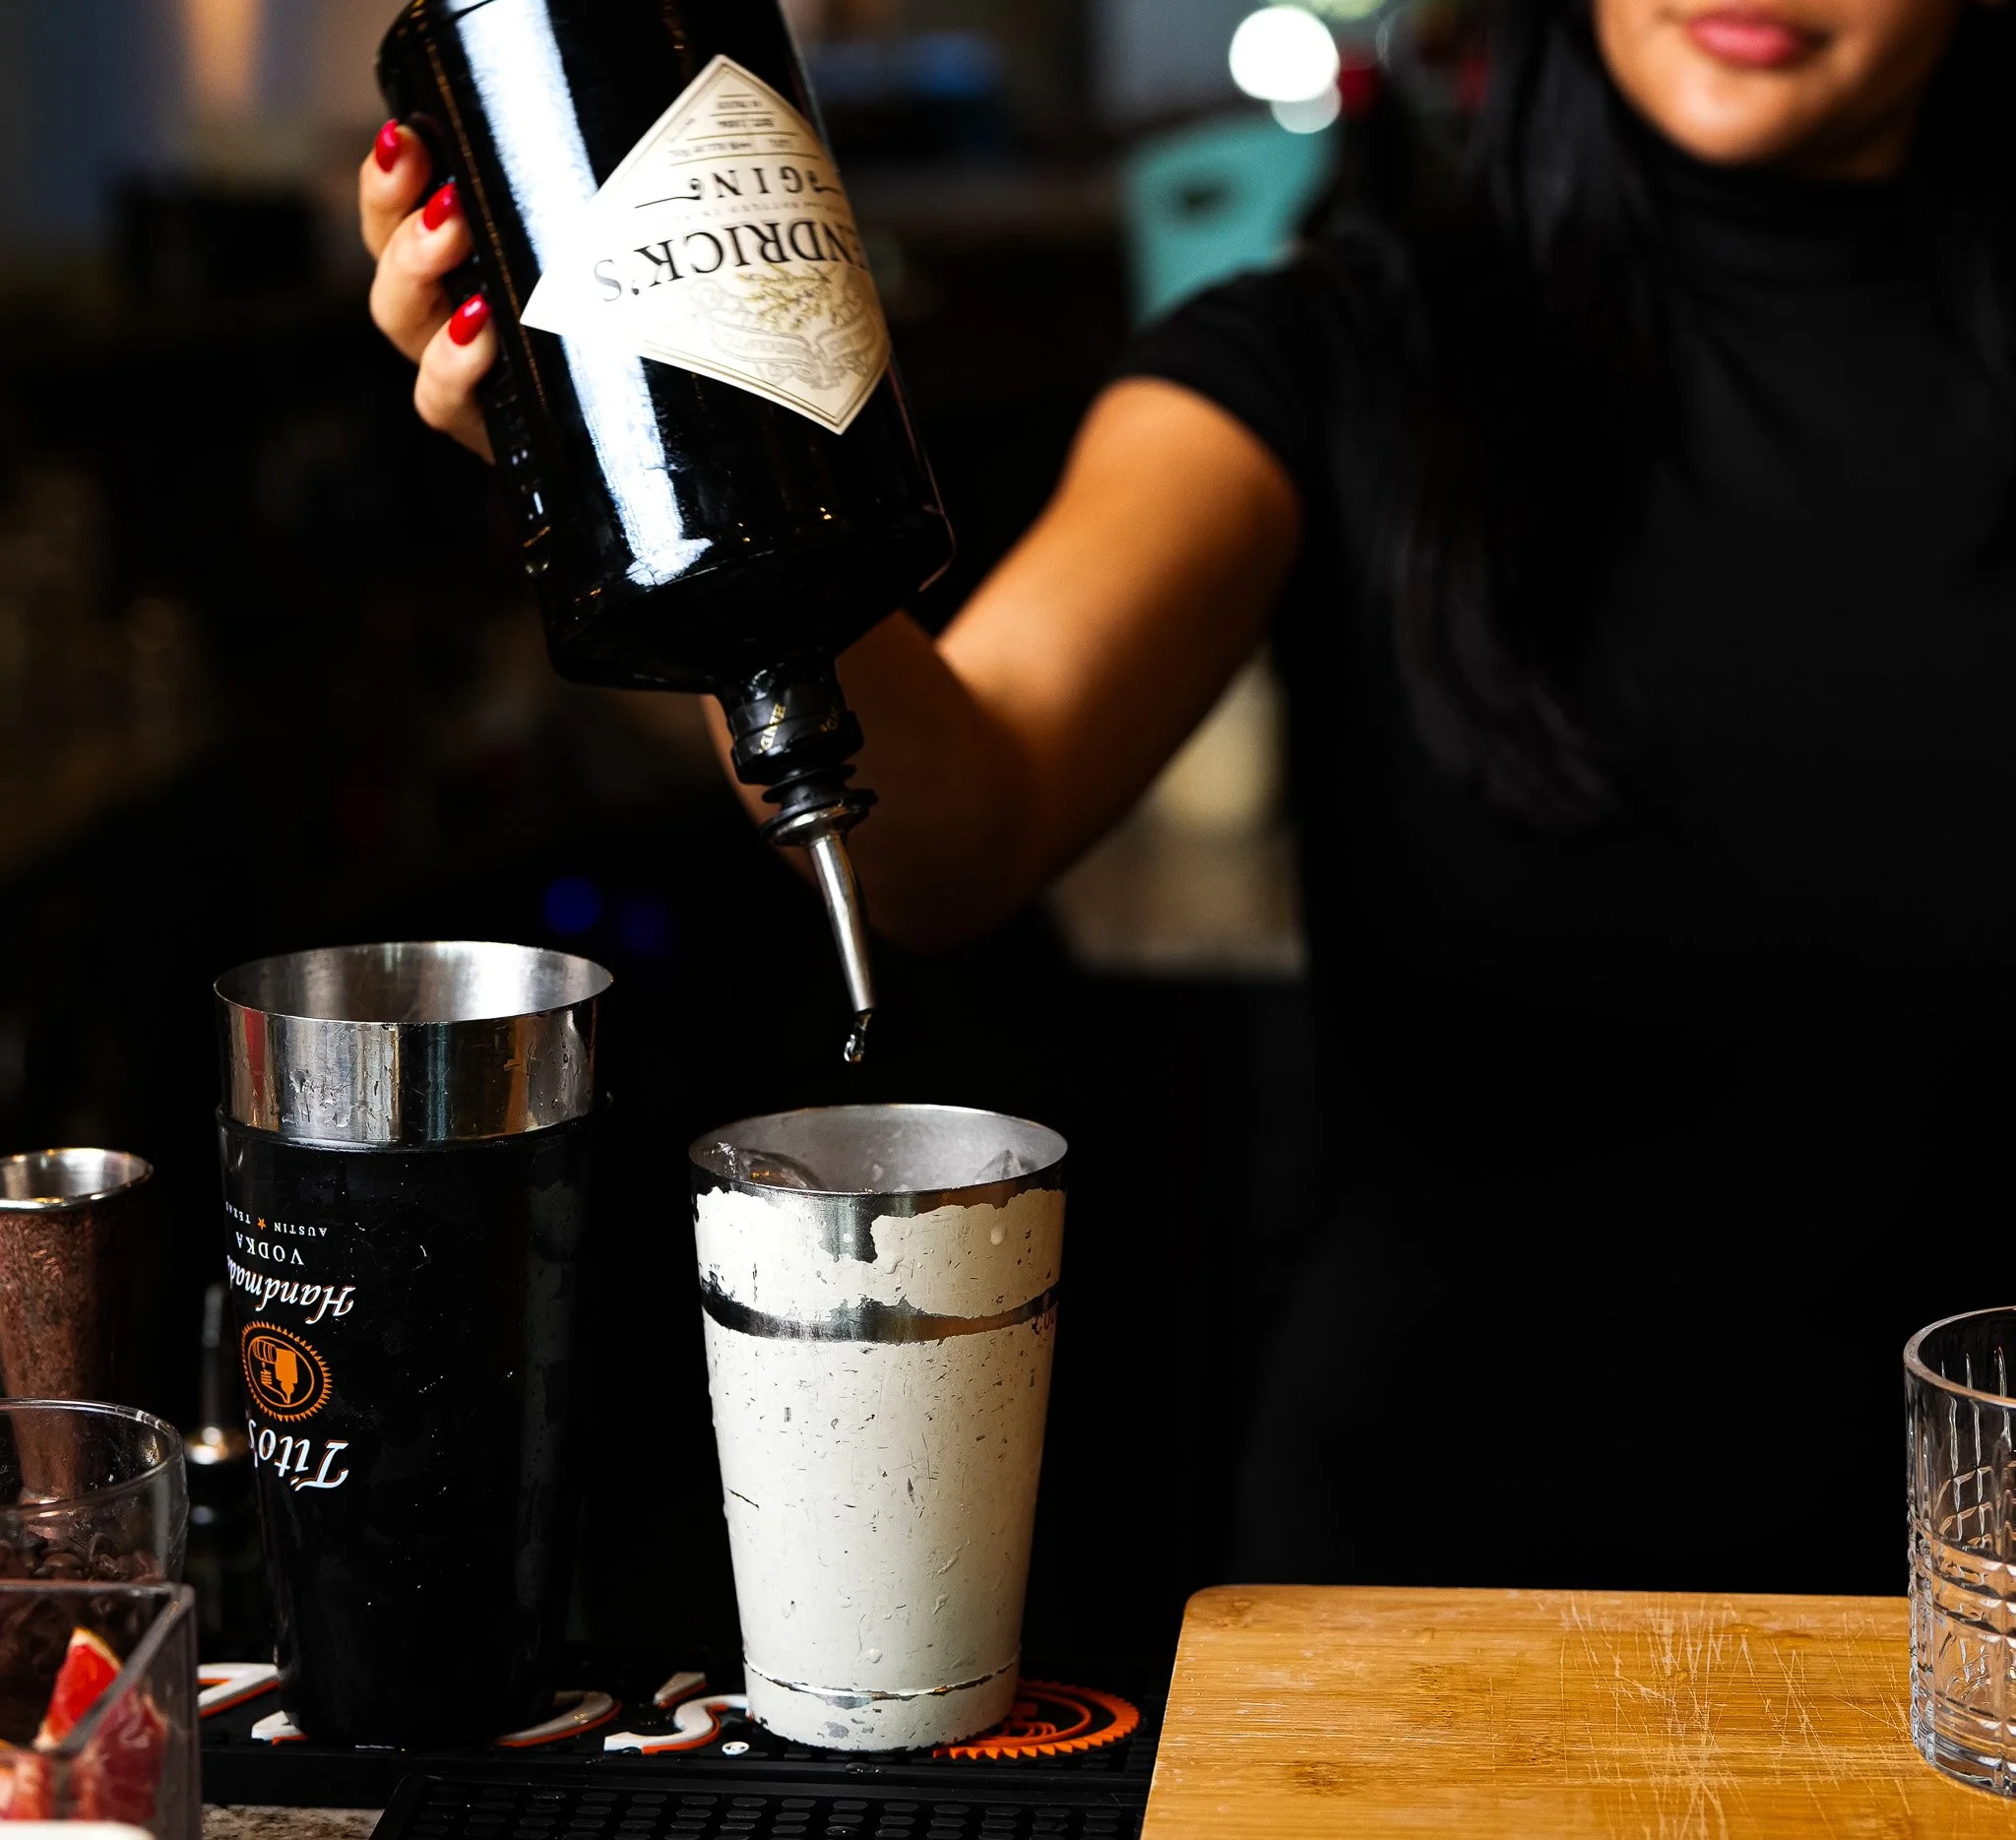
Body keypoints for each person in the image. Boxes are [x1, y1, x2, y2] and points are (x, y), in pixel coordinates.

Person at [360, 0, 2015, 1593]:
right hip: (1417, 1610)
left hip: (1975, 1606)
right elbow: (956, 825)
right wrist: (637, 463)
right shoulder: (1338, 350)